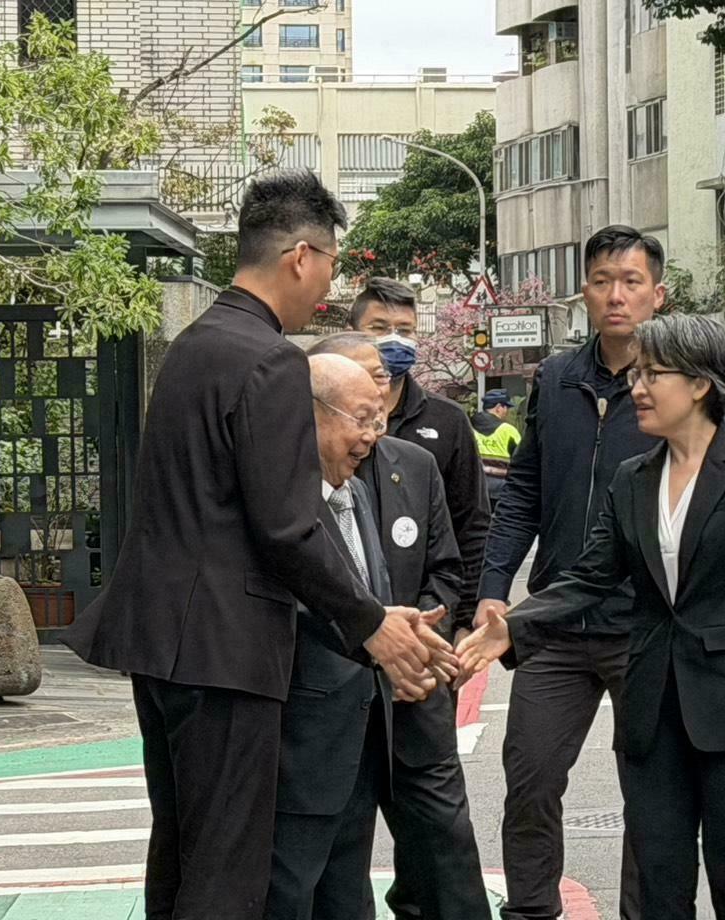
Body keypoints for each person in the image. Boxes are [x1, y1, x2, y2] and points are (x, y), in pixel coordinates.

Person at [61, 169, 444, 920]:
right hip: (225, 650)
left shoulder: (197, 344)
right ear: (301, 256)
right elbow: (288, 526)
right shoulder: (269, 359)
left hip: (163, 643)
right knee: (227, 871)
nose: (328, 286)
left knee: (183, 855)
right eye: (330, 263)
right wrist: (370, 623)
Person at [460, 313, 725, 920]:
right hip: (653, 707)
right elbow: (590, 576)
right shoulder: (634, 478)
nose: (638, 388)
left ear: (700, 384)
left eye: (654, 375)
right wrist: (514, 626)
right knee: (658, 883)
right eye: (638, 375)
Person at [475, 225, 664, 920]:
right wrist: (493, 587)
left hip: (644, 624)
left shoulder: (675, 381)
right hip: (554, 621)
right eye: (602, 281)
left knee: (651, 789)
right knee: (528, 777)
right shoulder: (555, 379)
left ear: (657, 293)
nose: (616, 295)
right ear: (583, 290)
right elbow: (523, 488)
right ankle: (530, 911)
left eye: (631, 282)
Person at [266, 354, 459, 920]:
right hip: (301, 740)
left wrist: (403, 642)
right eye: (362, 419)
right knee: (289, 892)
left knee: (348, 895)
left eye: (380, 420)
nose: (373, 437)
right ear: (311, 414)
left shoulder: (356, 492)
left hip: (365, 729)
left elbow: (374, 600)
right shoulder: (282, 509)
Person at [307, 334, 490, 920]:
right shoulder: (295, 483)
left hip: (416, 688)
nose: (379, 391)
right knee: (340, 862)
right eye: (363, 382)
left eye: (382, 380)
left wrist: (419, 643)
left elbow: (445, 566)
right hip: (337, 697)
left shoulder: (413, 465)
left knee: (444, 847)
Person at [348, 278, 490, 631]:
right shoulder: (323, 419)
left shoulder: (447, 420)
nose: (394, 339)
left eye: (405, 330)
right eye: (379, 328)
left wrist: (462, 622)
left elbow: (472, 525)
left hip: (426, 621)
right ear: (352, 332)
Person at [471, 389, 523, 505]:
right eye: (506, 407)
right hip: (501, 491)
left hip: (475, 488)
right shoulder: (508, 431)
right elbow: (521, 461)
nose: (507, 412)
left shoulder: (469, 427)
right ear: (499, 407)